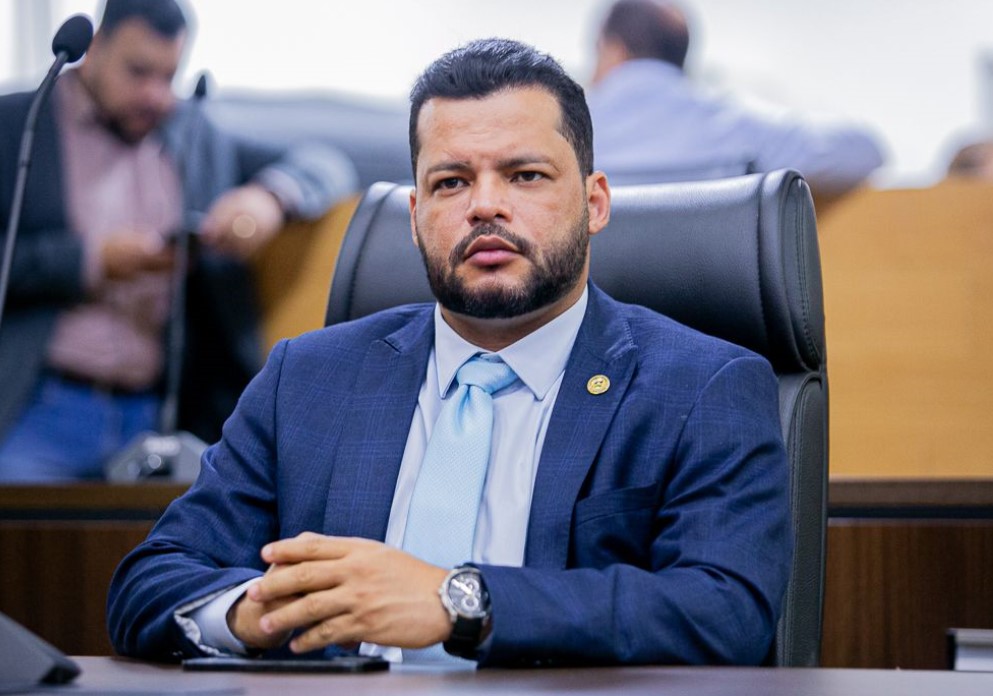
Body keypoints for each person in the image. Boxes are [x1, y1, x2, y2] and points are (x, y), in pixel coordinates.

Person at [107, 37, 790, 668]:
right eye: (451, 182)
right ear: (414, 218)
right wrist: (259, 612)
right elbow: (150, 581)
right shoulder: (306, 380)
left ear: (595, 203)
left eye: (525, 175)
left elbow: (725, 612)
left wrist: (459, 602)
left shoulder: (701, 386)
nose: (484, 206)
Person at [0, 0, 357, 481]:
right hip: (35, 405)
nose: (155, 95)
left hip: (160, 412)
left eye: (168, 76)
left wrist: (268, 198)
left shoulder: (192, 131)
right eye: (138, 72)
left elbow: (325, 163)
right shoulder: (18, 124)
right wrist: (89, 260)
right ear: (97, 46)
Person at [588, 0, 884, 196]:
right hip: (709, 276)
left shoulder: (572, 128)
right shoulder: (730, 123)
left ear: (613, 49)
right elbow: (864, 150)